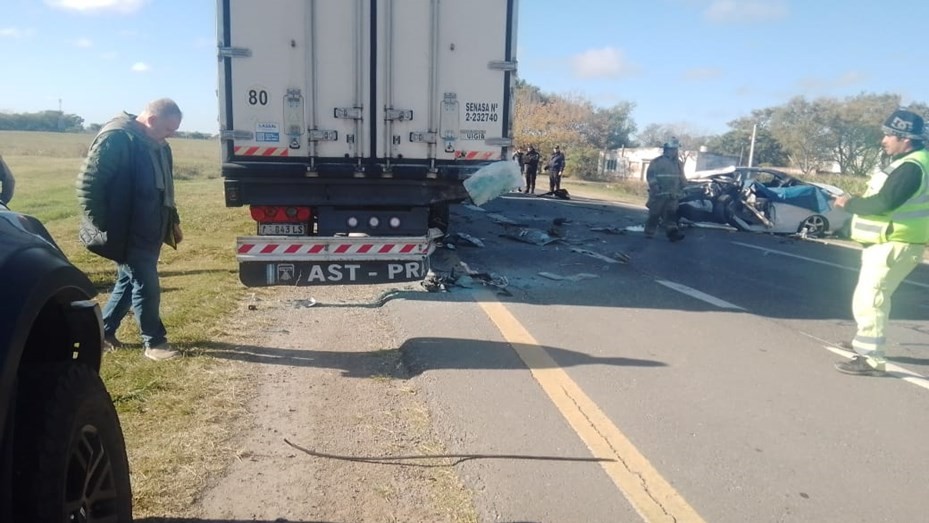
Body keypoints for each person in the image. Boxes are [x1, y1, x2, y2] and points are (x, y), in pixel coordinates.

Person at [76, 98, 184, 361]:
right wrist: (103, 227)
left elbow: (167, 187)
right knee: (146, 283)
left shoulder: (158, 144)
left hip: (152, 226)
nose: (171, 135)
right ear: (152, 120)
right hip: (127, 228)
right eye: (168, 129)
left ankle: (101, 333)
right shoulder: (117, 138)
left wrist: (174, 220)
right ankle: (154, 342)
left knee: (128, 281)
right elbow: (88, 186)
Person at [833, 108, 929, 376]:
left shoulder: (911, 166)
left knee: (871, 300)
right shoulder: (913, 162)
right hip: (892, 242)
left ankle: (871, 359)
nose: (883, 140)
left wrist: (849, 204)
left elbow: (885, 203)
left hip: (894, 242)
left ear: (906, 139)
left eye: (889, 135)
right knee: (870, 297)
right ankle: (863, 344)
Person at [644, 138, 686, 242]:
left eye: (675, 149)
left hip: (673, 195)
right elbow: (650, 176)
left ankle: (673, 233)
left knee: (671, 215)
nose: (674, 152)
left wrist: (684, 186)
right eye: (671, 149)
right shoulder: (657, 162)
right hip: (659, 194)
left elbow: (681, 177)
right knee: (655, 214)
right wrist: (655, 187)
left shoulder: (679, 163)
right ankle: (649, 232)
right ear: (666, 150)